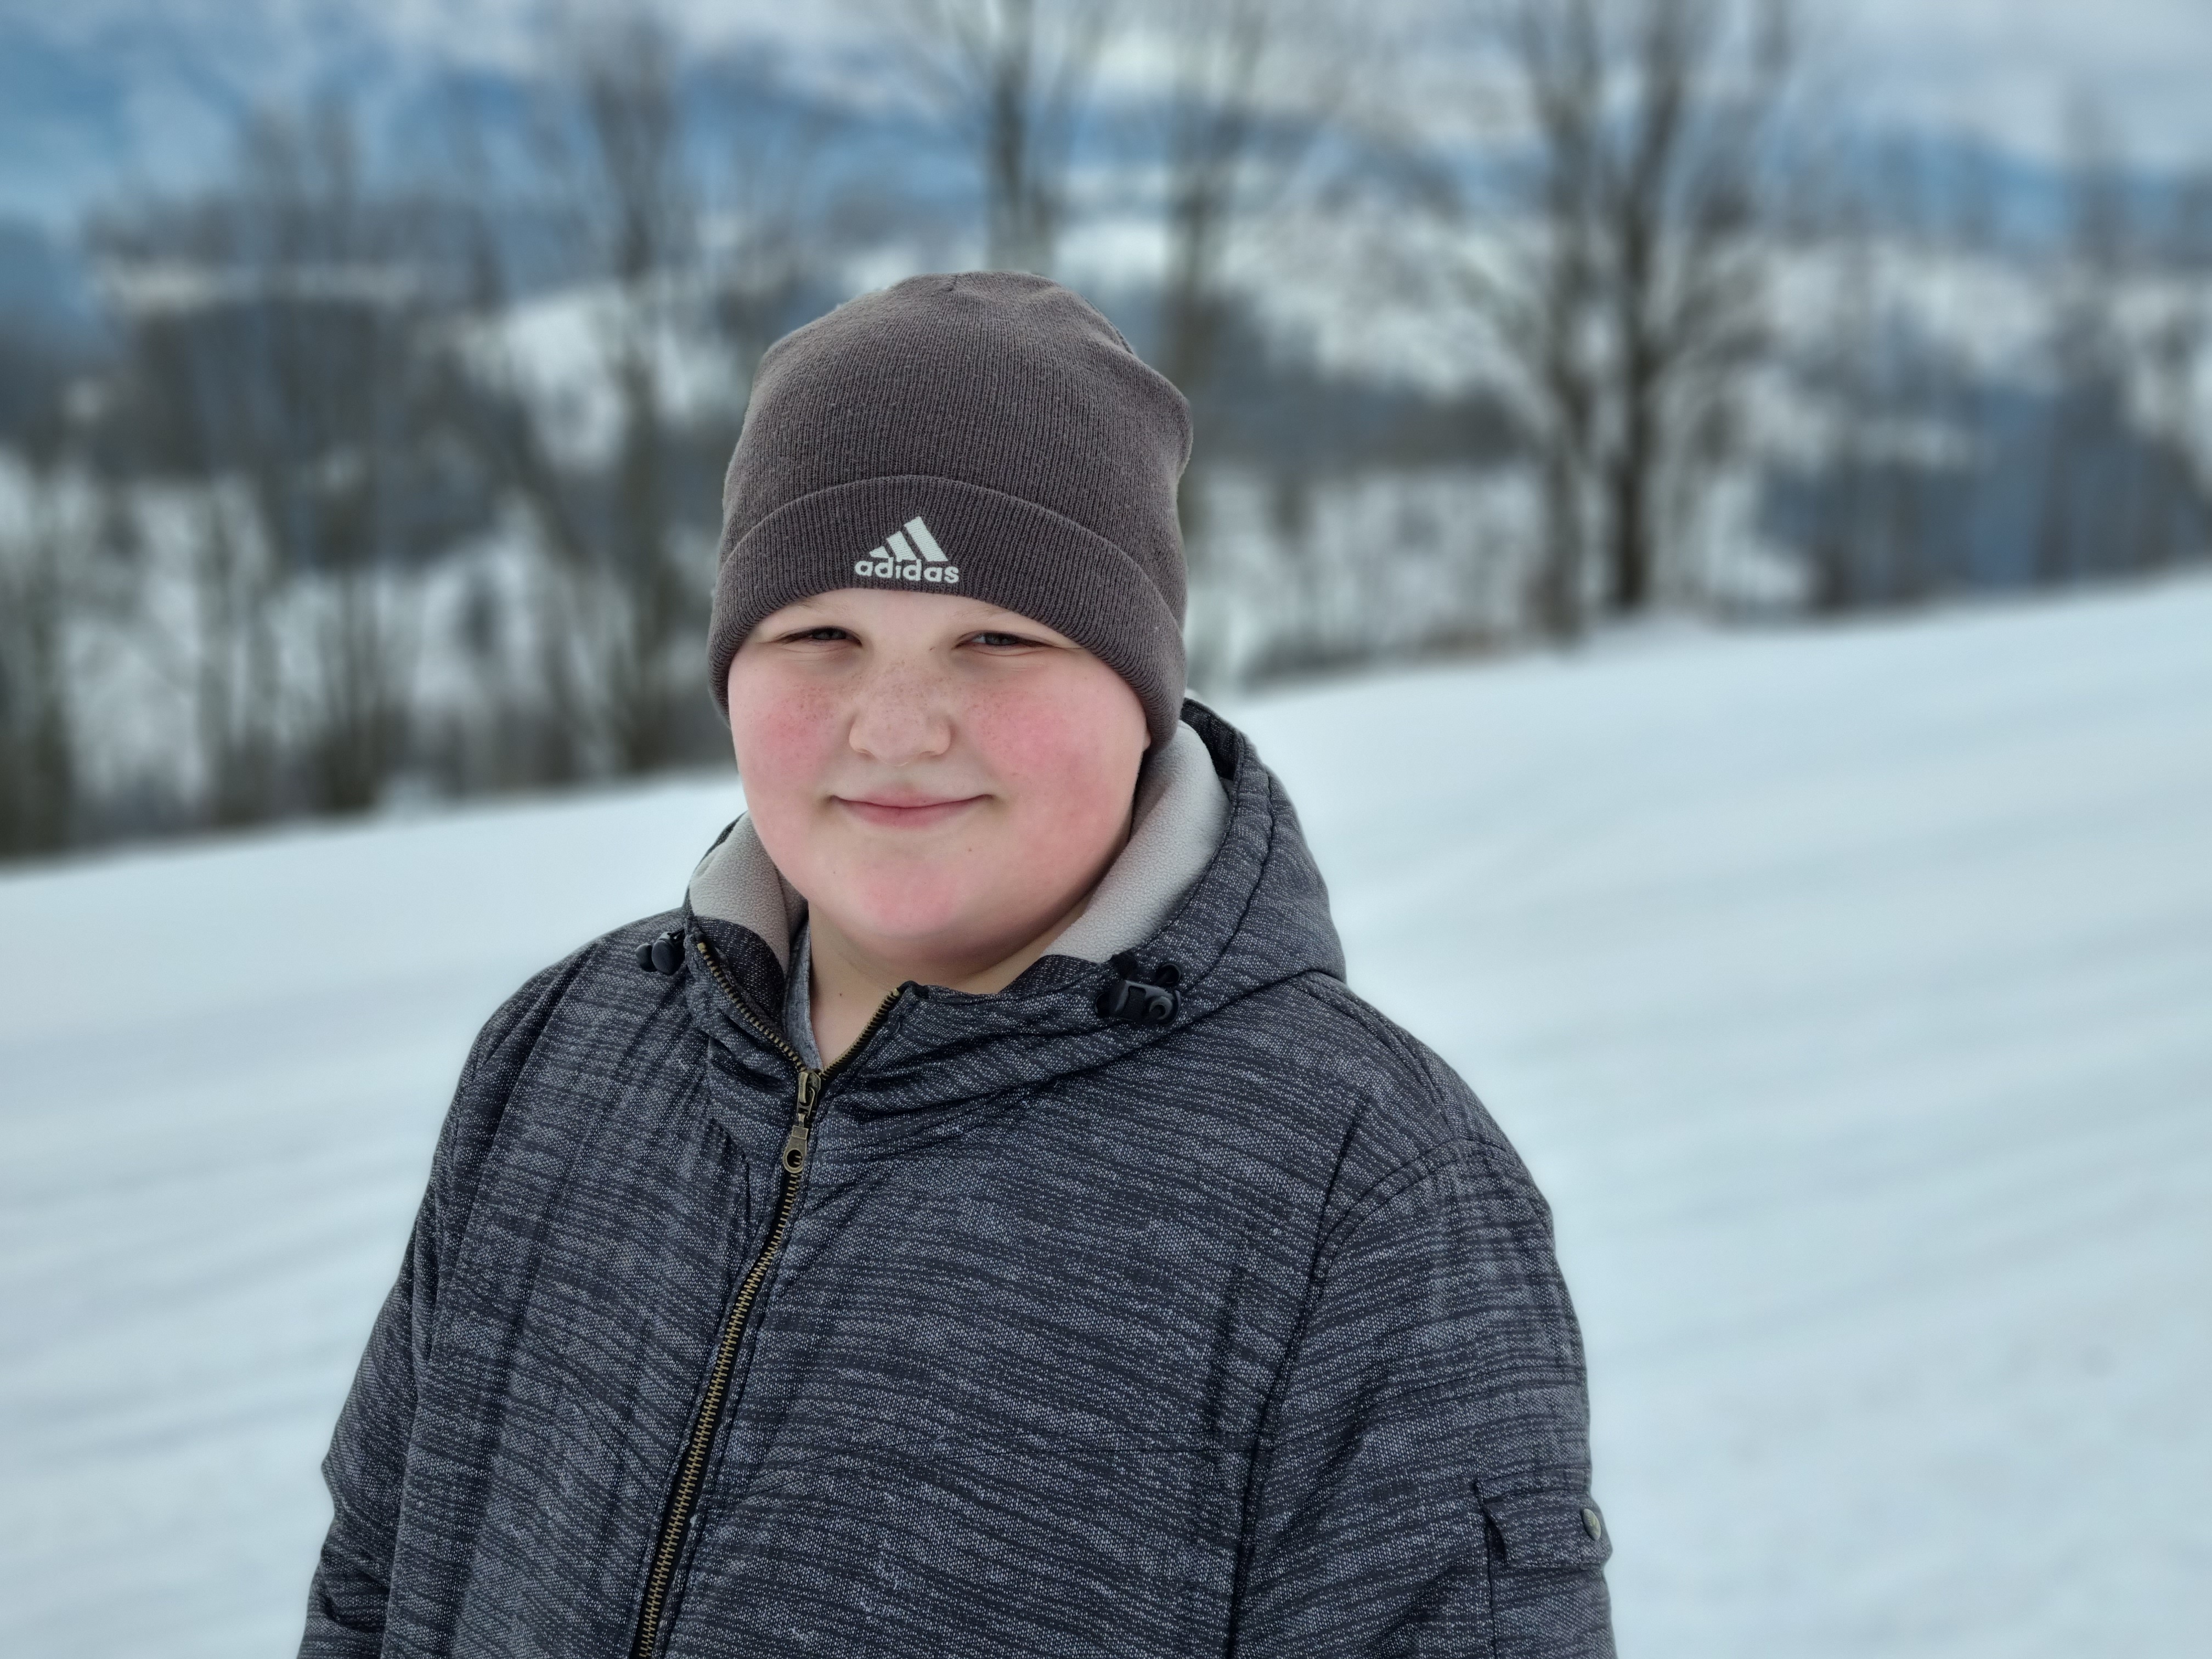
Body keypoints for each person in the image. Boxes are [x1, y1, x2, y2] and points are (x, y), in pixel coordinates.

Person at [301, 271, 1613, 1657]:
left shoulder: (1363, 1191)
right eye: (821, 635)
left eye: (996, 639)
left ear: (1141, 690)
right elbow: (375, 1586)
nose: (897, 726)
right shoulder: (564, 1055)